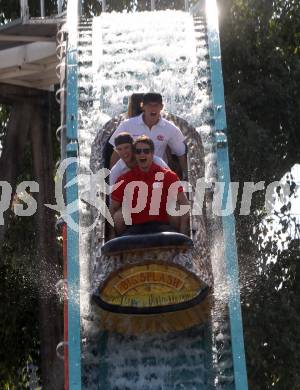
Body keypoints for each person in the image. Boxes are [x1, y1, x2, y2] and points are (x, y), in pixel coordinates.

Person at [110, 135, 190, 236]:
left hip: (164, 226)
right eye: (138, 151)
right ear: (135, 155)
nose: (142, 154)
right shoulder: (124, 179)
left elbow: (184, 203)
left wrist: (183, 235)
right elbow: (112, 209)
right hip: (135, 229)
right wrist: (112, 237)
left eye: (146, 151)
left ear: (152, 154)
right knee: (118, 215)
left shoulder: (168, 176)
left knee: (176, 207)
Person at [109, 92, 187, 177]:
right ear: (142, 106)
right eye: (149, 105)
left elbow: (181, 154)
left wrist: (186, 177)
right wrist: (111, 179)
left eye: (156, 105)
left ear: (161, 107)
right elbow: (116, 153)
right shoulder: (127, 125)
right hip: (132, 173)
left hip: (158, 174)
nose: (153, 109)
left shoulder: (170, 129)